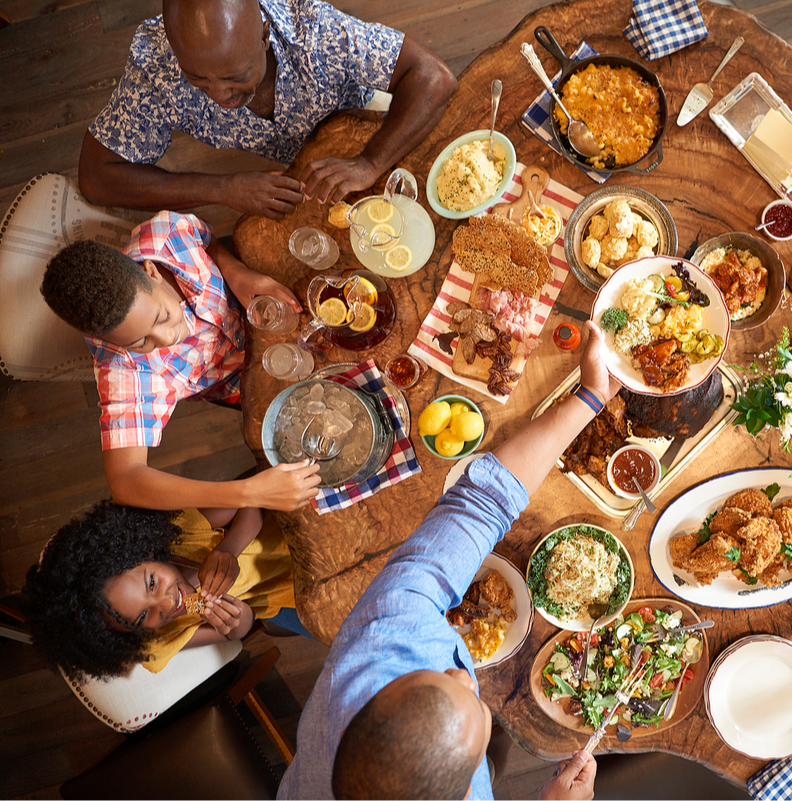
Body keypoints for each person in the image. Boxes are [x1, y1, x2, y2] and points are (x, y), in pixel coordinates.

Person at [278, 324, 616, 801]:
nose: (462, 673)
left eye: (433, 679)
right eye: (475, 704)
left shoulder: (381, 641)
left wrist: (591, 397)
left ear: (370, 700)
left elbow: (481, 504)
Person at [40, 210, 321, 511]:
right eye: (141, 342)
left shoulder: (166, 233)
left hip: (273, 310)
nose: (166, 338)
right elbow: (125, 480)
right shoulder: (124, 369)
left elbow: (206, 237)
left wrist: (234, 270)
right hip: (252, 386)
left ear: (151, 272)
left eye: (162, 317)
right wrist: (248, 493)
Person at [78, 0, 457, 220]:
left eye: (234, 76)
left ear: (263, 36)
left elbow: (434, 78)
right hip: (294, 171)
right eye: (197, 79)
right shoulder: (155, 64)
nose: (219, 95)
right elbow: (97, 176)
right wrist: (221, 188)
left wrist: (369, 162)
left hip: (367, 126)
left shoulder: (312, 28)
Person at [23, 500, 305, 679]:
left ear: (140, 550)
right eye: (145, 617)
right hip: (291, 597)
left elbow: (250, 504)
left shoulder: (180, 531)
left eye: (152, 583)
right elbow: (242, 628)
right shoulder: (159, 643)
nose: (168, 602)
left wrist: (229, 548)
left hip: (293, 531)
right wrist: (235, 617)